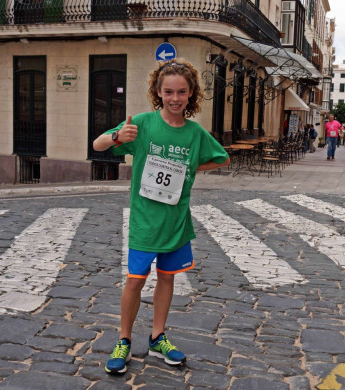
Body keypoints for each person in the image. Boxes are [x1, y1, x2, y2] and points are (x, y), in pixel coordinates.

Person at [93, 59, 229, 375]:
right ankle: (124, 340)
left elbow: (221, 157)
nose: (175, 98)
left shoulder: (196, 133)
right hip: (145, 221)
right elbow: (98, 144)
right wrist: (118, 138)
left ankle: (157, 337)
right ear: (158, 91)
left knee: (167, 278)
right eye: (169, 91)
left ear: (191, 93)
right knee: (135, 281)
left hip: (176, 222)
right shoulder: (142, 124)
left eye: (182, 92)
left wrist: (191, 169)